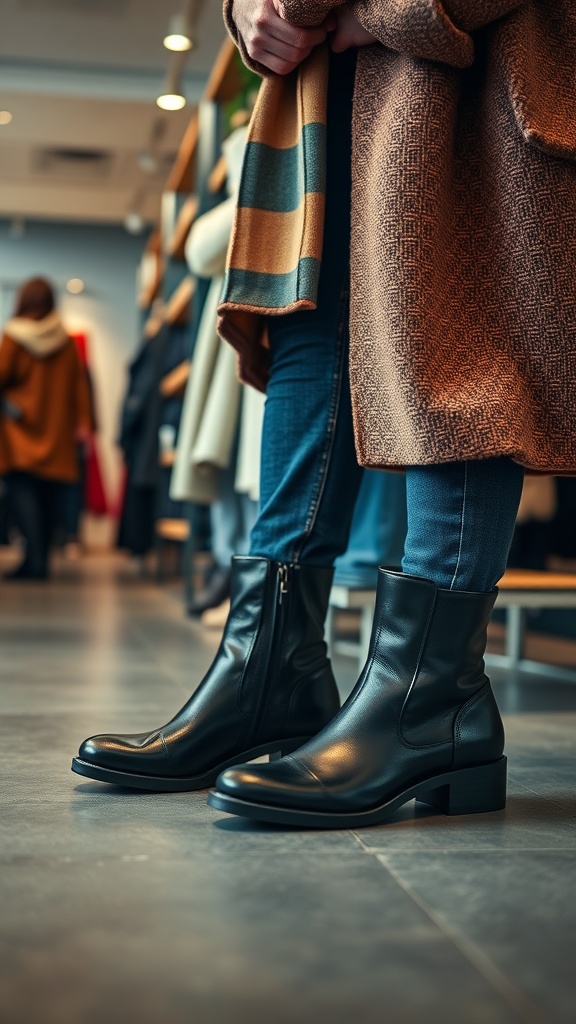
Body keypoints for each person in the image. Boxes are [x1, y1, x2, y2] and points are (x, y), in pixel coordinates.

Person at [72, 0, 576, 828]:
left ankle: (428, 697)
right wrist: (248, 11)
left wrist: (384, 9)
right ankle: (270, 670)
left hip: (464, 73)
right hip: (317, 89)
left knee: (454, 338)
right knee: (310, 326)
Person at [0, 277, 92, 580]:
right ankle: (39, 561)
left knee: (21, 490)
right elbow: (79, 386)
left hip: (19, 431)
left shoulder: (13, 337)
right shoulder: (64, 340)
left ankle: (33, 559)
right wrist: (84, 424)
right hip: (56, 431)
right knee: (48, 496)